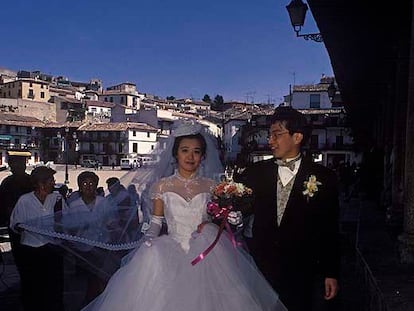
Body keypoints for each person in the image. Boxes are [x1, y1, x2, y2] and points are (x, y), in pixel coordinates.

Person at [82, 121, 286, 311]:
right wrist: (148, 241)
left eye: (196, 152)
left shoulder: (212, 186)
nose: (191, 157)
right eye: (185, 151)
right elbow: (155, 222)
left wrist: (234, 219)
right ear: (176, 154)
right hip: (170, 251)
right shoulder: (162, 186)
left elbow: (219, 218)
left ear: (203, 156)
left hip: (209, 253)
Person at [238, 106, 340, 311]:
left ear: (297, 137)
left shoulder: (324, 177)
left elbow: (329, 228)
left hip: (302, 269)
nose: (270, 141)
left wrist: (331, 272)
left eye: (277, 134)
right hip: (261, 265)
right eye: (269, 135)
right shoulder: (254, 173)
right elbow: (239, 209)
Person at [9, 166, 66, 311]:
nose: (54, 183)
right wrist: (27, 227)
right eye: (50, 180)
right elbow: (15, 224)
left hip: (52, 250)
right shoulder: (25, 200)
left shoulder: (57, 199)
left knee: (54, 287)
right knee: (32, 288)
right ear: (41, 183)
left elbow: (66, 220)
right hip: (31, 252)